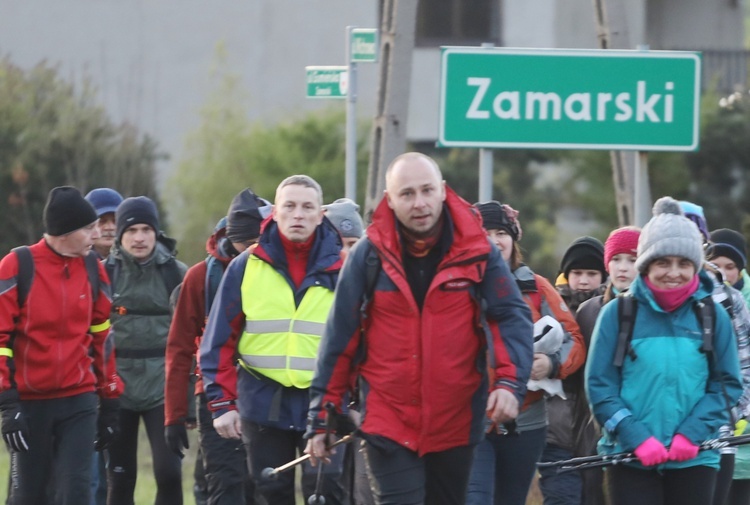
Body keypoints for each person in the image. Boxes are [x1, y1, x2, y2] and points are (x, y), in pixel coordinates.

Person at [306, 152, 534, 505]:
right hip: (388, 422)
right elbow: (339, 338)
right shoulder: (368, 256)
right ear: (390, 200)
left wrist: (508, 381)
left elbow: (508, 314)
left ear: (442, 191)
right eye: (407, 194)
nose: (419, 203)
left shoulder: (477, 250)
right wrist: (321, 417)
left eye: (427, 190)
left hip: (457, 419)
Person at [200, 175, 347, 505]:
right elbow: (218, 340)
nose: (298, 214)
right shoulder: (244, 267)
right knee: (270, 493)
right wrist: (222, 403)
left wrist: (355, 399)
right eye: (289, 206)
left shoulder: (343, 271)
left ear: (320, 214)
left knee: (326, 493)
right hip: (262, 402)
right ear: (275, 214)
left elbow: (361, 342)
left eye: (307, 207)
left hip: (324, 404)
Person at [585, 196, 743, 505]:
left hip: (697, 458)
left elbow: (726, 385)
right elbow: (600, 387)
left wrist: (692, 433)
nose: (674, 272)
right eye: (663, 262)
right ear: (646, 265)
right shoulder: (617, 314)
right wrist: (636, 437)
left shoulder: (713, 315)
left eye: (684, 264)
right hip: (630, 459)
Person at [0, 186, 123, 504]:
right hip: (28, 404)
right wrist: (8, 404)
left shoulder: (94, 269)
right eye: (88, 228)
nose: (95, 235)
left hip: (78, 401)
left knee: (77, 492)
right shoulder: (16, 266)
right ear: (64, 231)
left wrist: (110, 400)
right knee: (28, 495)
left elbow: (102, 337)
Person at [466, 201, 585, 505]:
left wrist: (551, 364)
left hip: (526, 425)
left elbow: (574, 339)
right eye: (486, 232)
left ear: (513, 239)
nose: (495, 240)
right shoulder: (457, 285)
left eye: (501, 232)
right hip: (469, 419)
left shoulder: (536, 287)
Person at [165, 188, 271, 505]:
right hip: (215, 396)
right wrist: (174, 415)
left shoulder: (276, 270)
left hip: (266, 392)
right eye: (244, 246)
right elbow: (179, 347)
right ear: (229, 237)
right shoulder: (200, 278)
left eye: (256, 245)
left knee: (263, 488)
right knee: (225, 486)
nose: (249, 254)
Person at [105, 196, 188, 505]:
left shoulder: (177, 274)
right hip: (116, 389)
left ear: (156, 232)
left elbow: (192, 339)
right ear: (119, 235)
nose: (139, 238)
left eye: (146, 229)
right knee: (121, 476)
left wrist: (188, 403)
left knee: (169, 473)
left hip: (162, 388)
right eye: (131, 230)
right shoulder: (104, 274)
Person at [575, 226, 641, 505]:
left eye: (632, 259)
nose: (623, 268)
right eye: (616, 259)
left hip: (639, 423)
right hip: (592, 428)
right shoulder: (588, 312)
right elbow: (579, 379)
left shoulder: (653, 311)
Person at [541, 235, 608, 505]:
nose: (583, 280)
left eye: (591, 273)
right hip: (557, 434)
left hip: (598, 434)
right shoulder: (551, 312)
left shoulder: (615, 312)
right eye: (576, 273)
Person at [322, 197, 374, 505]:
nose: (346, 252)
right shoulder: (317, 286)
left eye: (353, 242)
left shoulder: (375, 286)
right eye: (339, 242)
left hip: (367, 409)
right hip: (332, 409)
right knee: (333, 488)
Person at [84, 186, 124, 505]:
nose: (109, 226)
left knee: (112, 478)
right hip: (78, 385)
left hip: (117, 388)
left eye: (115, 219)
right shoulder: (74, 267)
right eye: (102, 219)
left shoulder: (128, 268)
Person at [704, 228, 750, 505]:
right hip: (715, 426)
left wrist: (739, 410)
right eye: (715, 264)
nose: (721, 271)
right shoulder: (702, 302)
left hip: (737, 416)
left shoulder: (736, 304)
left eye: (729, 266)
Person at [85, 187, 124, 260]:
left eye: (115, 221)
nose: (109, 227)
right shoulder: (73, 263)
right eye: (102, 221)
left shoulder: (139, 260)